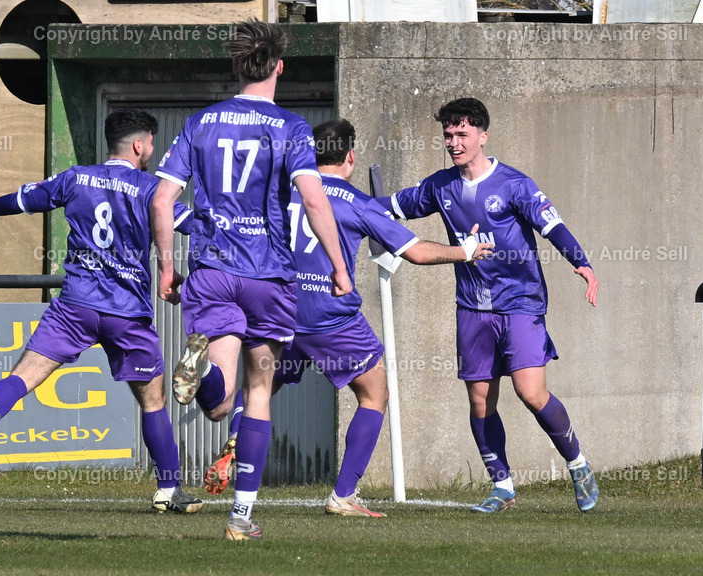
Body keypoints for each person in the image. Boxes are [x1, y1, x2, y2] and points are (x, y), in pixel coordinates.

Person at [201, 118, 495, 518]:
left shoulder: (280, 192)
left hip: (278, 311)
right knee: (375, 393)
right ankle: (343, 495)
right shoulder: (357, 202)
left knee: (260, 388)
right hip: (329, 320)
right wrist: (466, 250)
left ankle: (235, 433)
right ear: (351, 157)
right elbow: (416, 252)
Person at [0, 109, 203, 515]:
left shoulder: (75, 178)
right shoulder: (155, 191)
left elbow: (20, 200)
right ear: (139, 145)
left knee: (21, 376)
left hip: (75, 306)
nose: (152, 149)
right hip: (126, 313)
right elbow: (194, 226)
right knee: (153, 403)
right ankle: (168, 489)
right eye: (151, 142)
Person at [151, 19, 352, 541]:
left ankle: (202, 370)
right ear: (279, 67)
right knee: (259, 387)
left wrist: (169, 267)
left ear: (238, 65)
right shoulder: (292, 128)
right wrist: (339, 267)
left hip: (214, 271)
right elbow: (313, 200)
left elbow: (161, 200)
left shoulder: (201, 123)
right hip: (269, 278)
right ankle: (241, 516)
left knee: (218, 405)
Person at [379, 98, 600, 513]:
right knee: (480, 401)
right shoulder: (440, 186)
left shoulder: (515, 185)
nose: (454, 142)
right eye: (448, 134)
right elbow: (390, 206)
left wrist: (582, 263)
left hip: (520, 302)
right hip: (472, 307)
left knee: (531, 393)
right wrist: (346, 206)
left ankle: (578, 464)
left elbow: (553, 226)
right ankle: (502, 487)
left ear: (483, 135)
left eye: (462, 134)